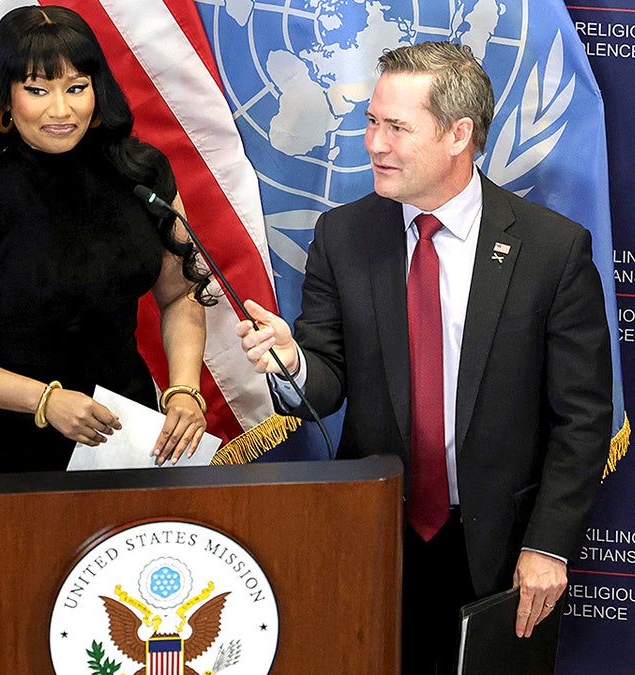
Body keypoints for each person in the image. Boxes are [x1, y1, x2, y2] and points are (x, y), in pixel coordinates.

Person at [236, 41, 612, 672]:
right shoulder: (344, 236)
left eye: (396, 128)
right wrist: (291, 361)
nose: (374, 143)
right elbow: (324, 383)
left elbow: (582, 419)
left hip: (502, 551)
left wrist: (548, 545)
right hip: (376, 539)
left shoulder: (552, 251)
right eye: (371, 122)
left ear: (458, 134)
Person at [0, 6, 213, 475]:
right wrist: (46, 400)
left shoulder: (142, 172)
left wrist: (183, 389)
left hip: (119, 434)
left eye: (76, 88)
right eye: (38, 90)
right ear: (7, 100)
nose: (62, 110)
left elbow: (179, 294)